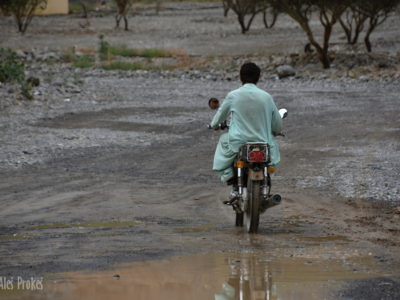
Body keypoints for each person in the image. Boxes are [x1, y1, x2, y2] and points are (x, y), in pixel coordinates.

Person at [209, 62, 282, 183]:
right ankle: (268, 175)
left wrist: (213, 125)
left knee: (223, 140)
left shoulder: (233, 96)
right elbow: (277, 124)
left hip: (239, 141)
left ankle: (227, 173)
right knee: (272, 151)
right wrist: (276, 131)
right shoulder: (267, 97)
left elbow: (220, 116)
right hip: (263, 141)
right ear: (258, 78)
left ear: (240, 77)